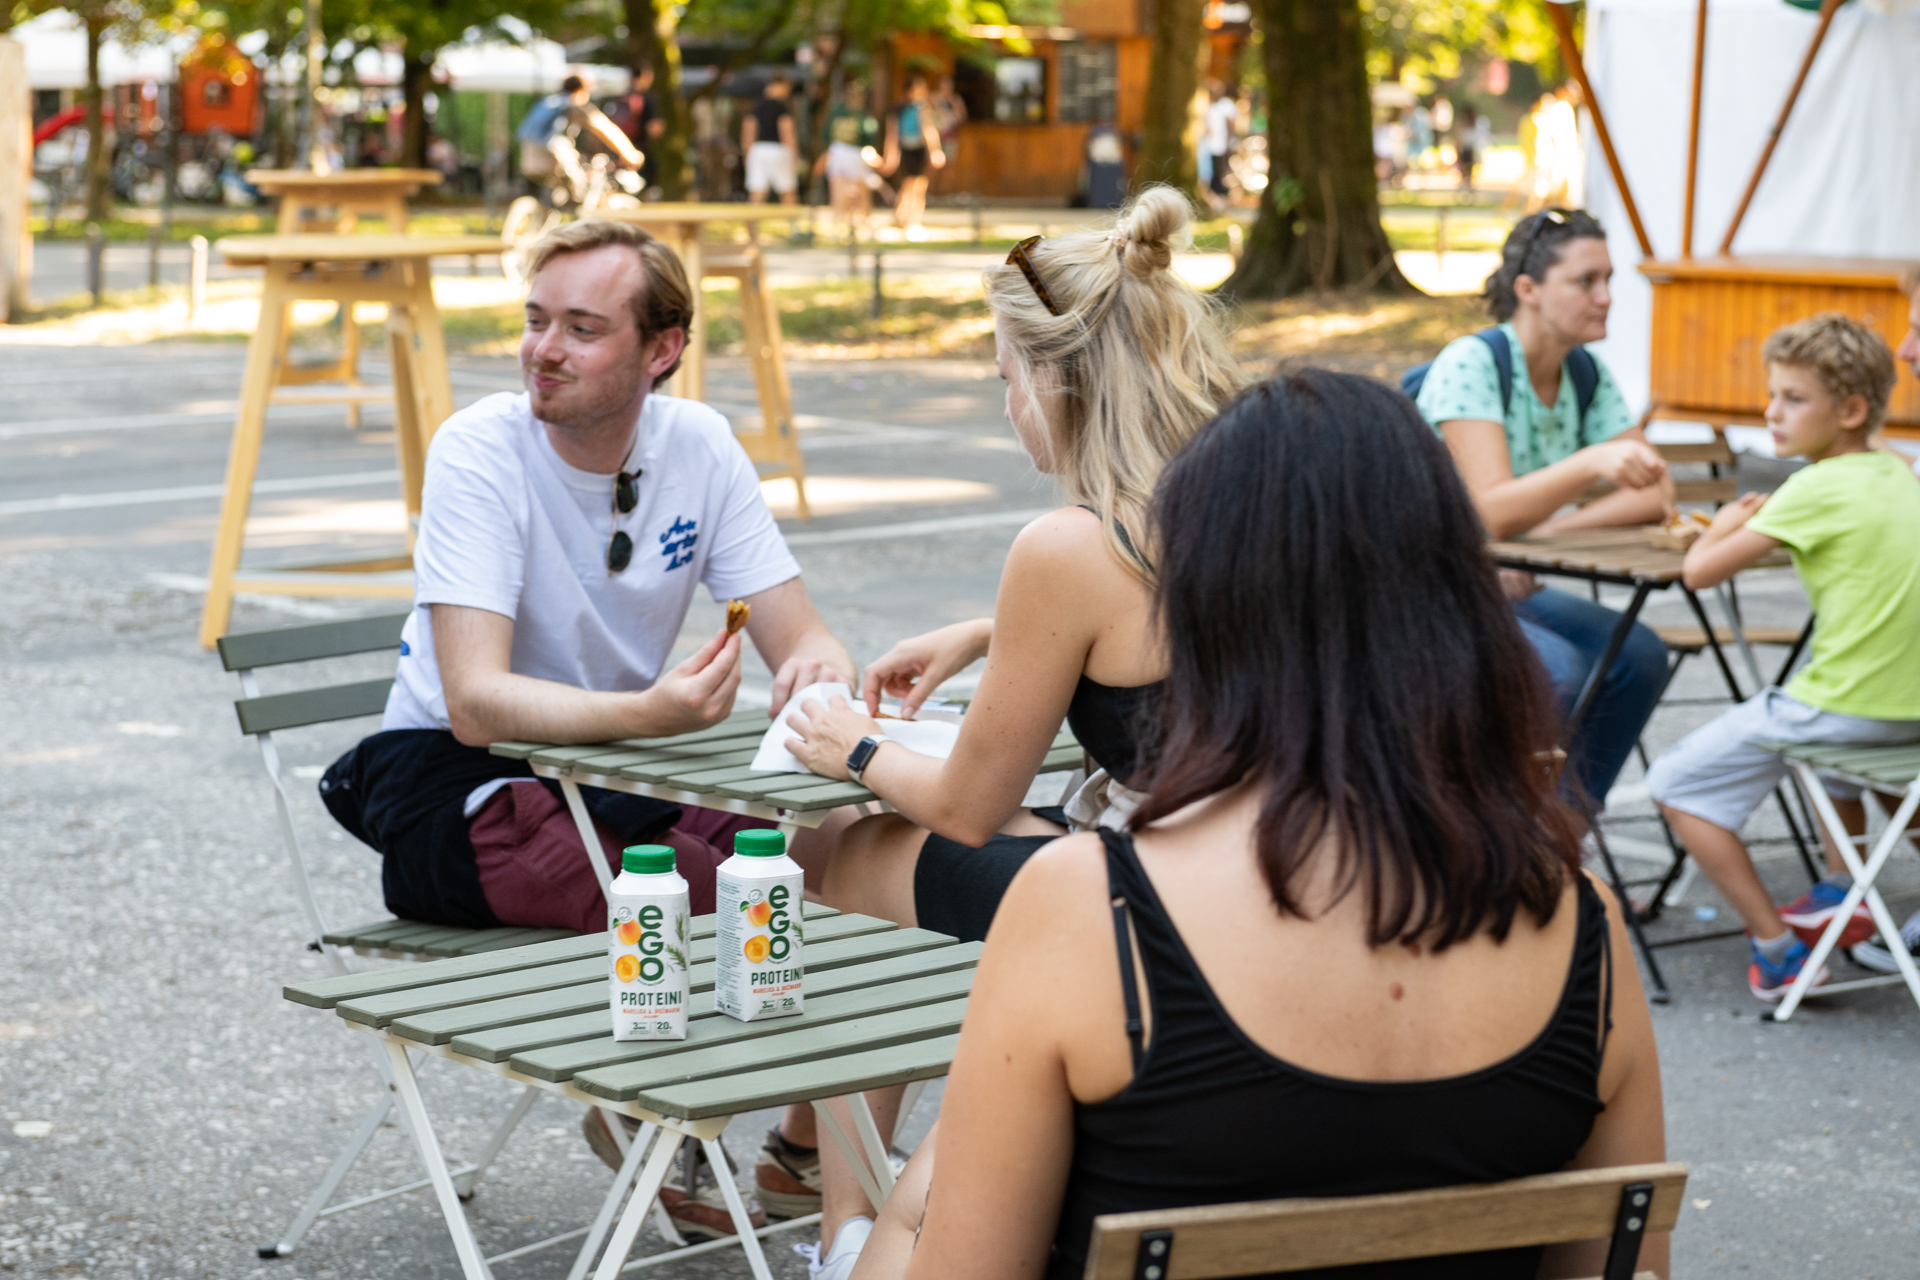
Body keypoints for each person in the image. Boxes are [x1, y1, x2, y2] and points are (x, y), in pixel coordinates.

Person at [817, 371, 1668, 1280]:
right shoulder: (1588, 933)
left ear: (1204, 604)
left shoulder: (1087, 913)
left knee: (915, 1198)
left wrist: (900, 1219)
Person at [316, 218, 856, 1235]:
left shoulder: (695, 445)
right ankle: (666, 1113)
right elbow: (475, 700)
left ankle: (799, 1151)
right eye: (533, 320)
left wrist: (820, 676)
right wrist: (648, 712)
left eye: (580, 327)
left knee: (844, 858)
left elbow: (806, 638)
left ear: (662, 349)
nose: (542, 349)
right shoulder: (481, 448)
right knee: (722, 897)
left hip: (608, 767)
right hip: (451, 778)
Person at [776, 186, 1244, 1270]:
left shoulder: (1070, 543)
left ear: (1053, 376)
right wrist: (995, 634)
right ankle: (840, 1191)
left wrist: (848, 737)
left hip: (1151, 912)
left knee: (850, 848)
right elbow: (1158, 634)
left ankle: (844, 1223)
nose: (1004, 407)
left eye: (1003, 378)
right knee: (907, 841)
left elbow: (968, 803)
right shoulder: (1235, 500)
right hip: (1251, 875)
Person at [1645, 314, 1920, 1000]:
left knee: (1675, 783)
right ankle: (1844, 894)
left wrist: (1733, 523)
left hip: (1848, 710)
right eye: (1773, 395)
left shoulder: (1813, 488)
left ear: (1851, 410)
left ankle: (1777, 953)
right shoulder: (1901, 471)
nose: (1771, 413)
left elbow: (1701, 573)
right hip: (1907, 715)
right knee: (1831, 761)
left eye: (1793, 399)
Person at [1415, 208, 1670, 814]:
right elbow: (1494, 513)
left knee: (1638, 656)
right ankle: (1495, 847)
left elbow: (1657, 495)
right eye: (1586, 281)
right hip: (1427, 587)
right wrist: (1588, 467)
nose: (1607, 297)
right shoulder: (1471, 363)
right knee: (1557, 670)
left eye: (1609, 279)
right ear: (1527, 291)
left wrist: (1552, 531)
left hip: (1503, 579)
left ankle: (1562, 849)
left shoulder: (1584, 371)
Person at [515, 74, 644, 205]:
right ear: (580, 90)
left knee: (560, 194)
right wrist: (629, 153)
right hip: (552, 155)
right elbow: (605, 128)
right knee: (582, 193)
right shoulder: (573, 104)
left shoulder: (548, 101)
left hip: (528, 158)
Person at [816, 79, 881, 239]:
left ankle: (841, 226)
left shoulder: (837, 112)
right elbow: (868, 141)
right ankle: (860, 225)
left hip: (837, 153)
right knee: (859, 191)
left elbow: (827, 135)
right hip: (853, 154)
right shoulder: (863, 116)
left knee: (841, 191)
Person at [883, 74, 944, 241]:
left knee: (919, 185)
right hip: (907, 149)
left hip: (918, 150)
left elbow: (928, 131)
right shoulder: (900, 109)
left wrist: (934, 151)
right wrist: (891, 154)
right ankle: (904, 217)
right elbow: (893, 134)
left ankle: (911, 219)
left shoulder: (922, 108)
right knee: (910, 184)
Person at [743, 74, 799, 205]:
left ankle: (751, 225)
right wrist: (795, 153)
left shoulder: (756, 106)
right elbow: (787, 131)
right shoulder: (781, 107)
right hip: (778, 150)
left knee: (757, 191)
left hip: (758, 150)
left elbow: (748, 130)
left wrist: (747, 152)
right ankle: (793, 224)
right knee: (787, 189)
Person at [613, 63, 665, 192]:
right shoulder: (647, 98)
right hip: (639, 144)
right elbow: (653, 128)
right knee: (647, 172)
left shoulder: (621, 96)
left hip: (618, 142)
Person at [1202, 80, 1236, 204]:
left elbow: (1231, 124)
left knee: (1221, 168)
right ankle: (1215, 191)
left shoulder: (1225, 105)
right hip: (1211, 144)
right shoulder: (1210, 107)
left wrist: (1229, 140)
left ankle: (1222, 192)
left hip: (1221, 143)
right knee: (1213, 168)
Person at [1456, 102, 1488, 192]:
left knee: (1467, 169)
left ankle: (1467, 185)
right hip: (1467, 149)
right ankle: (1467, 185)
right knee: (1466, 169)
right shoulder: (1465, 122)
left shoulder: (1478, 122)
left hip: (1470, 149)